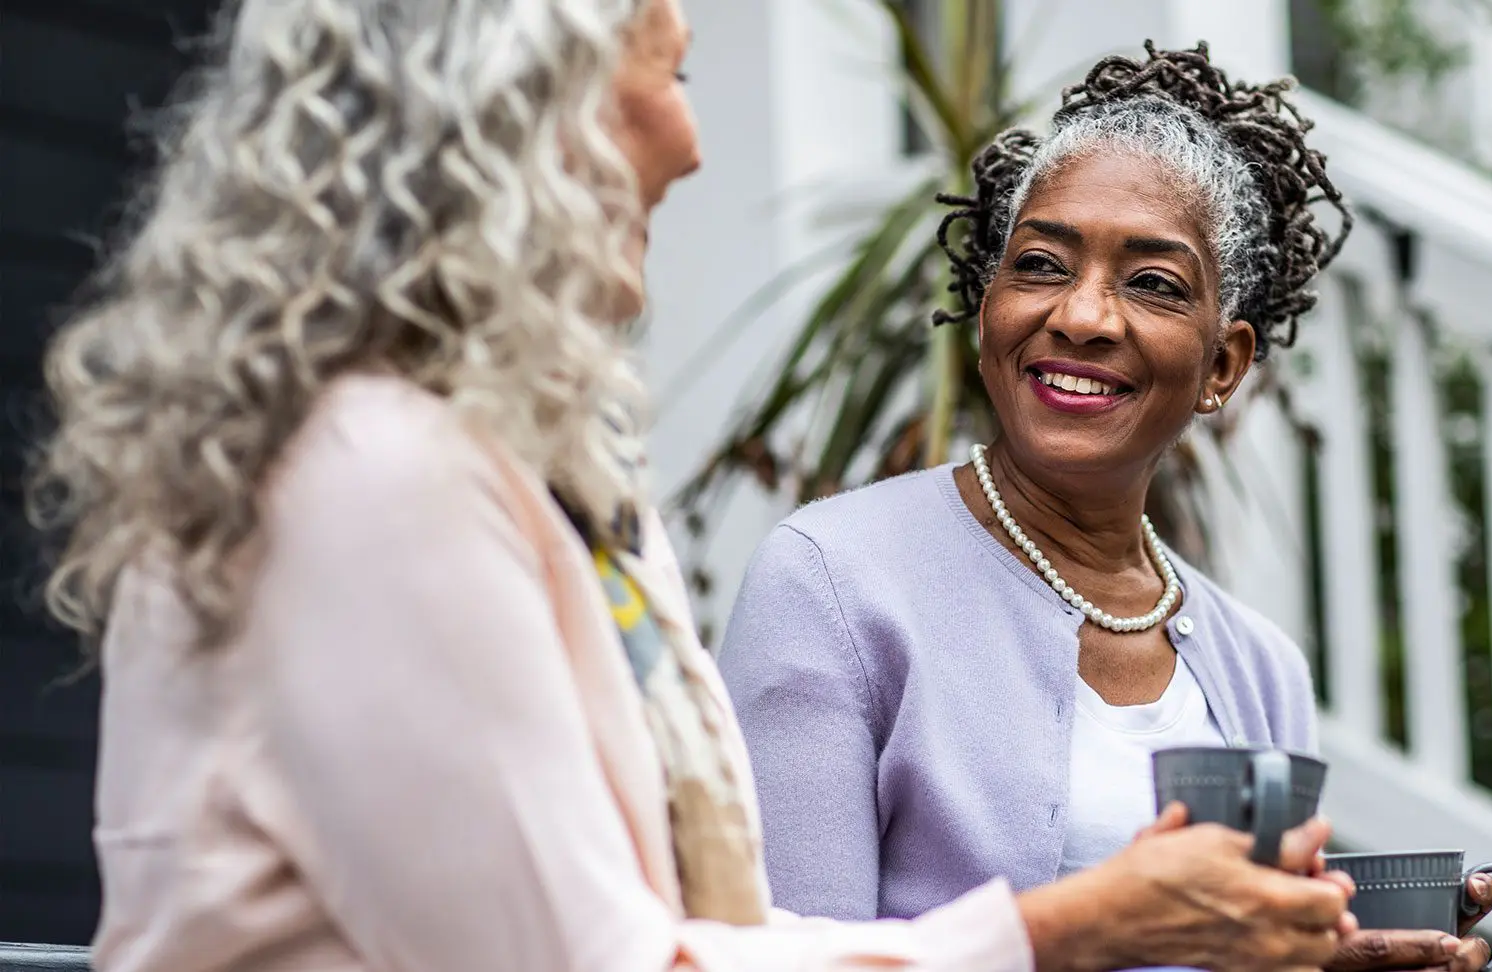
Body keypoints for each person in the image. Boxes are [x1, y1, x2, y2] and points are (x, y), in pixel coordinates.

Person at [31, 2, 1363, 970]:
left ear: (1227, 361)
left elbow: (698, 937)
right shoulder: (369, 479)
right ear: (519, 114)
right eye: (669, 72)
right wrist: (1074, 928)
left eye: (1151, 283)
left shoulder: (544, 479)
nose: (691, 140)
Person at [719, 43, 1492, 971]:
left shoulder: (1261, 672)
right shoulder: (833, 586)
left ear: (1223, 365)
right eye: (1042, 264)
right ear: (986, 310)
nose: (1083, 316)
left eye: (1153, 284)